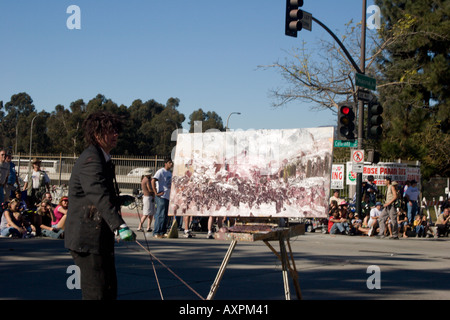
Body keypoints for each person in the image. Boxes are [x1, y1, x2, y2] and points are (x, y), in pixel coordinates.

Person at [64, 111, 136, 300]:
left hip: (99, 239)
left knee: (108, 290)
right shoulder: (91, 159)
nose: (116, 135)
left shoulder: (101, 157)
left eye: (116, 131)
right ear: (97, 134)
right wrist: (119, 225)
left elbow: (98, 194)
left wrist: (120, 200)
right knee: (97, 293)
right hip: (87, 240)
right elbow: (97, 194)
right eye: (111, 131)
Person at [151, 159, 173, 238]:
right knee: (160, 214)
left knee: (165, 215)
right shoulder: (161, 171)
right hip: (161, 196)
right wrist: (156, 192)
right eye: (169, 163)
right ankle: (156, 232)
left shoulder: (170, 173)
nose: (171, 164)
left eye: (172, 163)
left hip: (167, 196)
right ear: (165, 163)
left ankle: (163, 231)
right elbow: (153, 180)